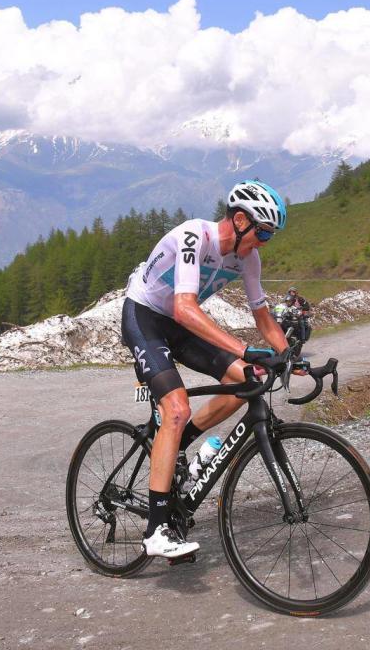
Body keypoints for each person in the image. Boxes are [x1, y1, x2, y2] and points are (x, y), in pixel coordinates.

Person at [121, 180, 291, 558]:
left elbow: (263, 318)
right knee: (176, 409)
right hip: (145, 317)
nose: (265, 241)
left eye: (270, 235)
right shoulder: (193, 236)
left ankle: (179, 441)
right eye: (263, 232)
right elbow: (184, 307)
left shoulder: (248, 259)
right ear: (242, 220)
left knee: (246, 379)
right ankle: (156, 530)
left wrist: (292, 358)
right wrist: (244, 348)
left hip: (180, 326)